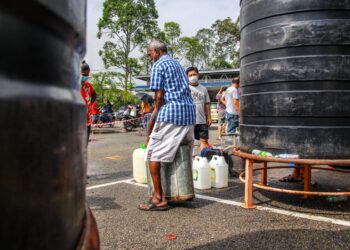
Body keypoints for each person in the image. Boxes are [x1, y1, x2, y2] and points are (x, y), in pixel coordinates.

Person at [139, 40, 195, 211]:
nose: (150, 58)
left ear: (156, 51)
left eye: (150, 54)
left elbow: (159, 96)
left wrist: (155, 115)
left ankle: (158, 199)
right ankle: (178, 192)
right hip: (188, 113)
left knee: (152, 154)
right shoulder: (177, 64)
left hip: (171, 113)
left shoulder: (159, 65)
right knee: (178, 153)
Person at [186, 67, 211, 151]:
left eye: (194, 74)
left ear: (198, 75)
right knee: (189, 142)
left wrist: (209, 117)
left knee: (204, 141)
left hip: (202, 120)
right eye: (190, 75)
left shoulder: (203, 89)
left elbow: (207, 104)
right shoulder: (185, 88)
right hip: (188, 121)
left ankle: (203, 160)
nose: (192, 76)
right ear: (187, 77)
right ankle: (190, 161)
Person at [80, 60, 96, 143]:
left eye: (87, 75)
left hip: (87, 119)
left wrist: (90, 103)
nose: (85, 76)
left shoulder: (88, 85)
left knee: (85, 142)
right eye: (83, 75)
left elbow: (94, 94)